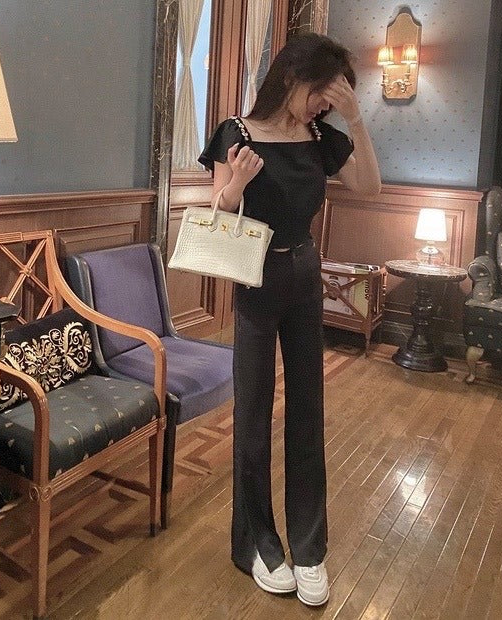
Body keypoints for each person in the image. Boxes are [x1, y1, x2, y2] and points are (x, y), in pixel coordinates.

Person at [197, 33, 381, 606]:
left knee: (308, 412)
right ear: (294, 77)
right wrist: (238, 183)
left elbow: (370, 187)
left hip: (304, 273)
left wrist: (356, 118)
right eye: (325, 93)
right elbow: (218, 211)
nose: (326, 105)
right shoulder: (237, 132)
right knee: (252, 413)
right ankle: (256, 543)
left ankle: (309, 547)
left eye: (335, 98)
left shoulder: (321, 137)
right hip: (255, 275)